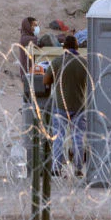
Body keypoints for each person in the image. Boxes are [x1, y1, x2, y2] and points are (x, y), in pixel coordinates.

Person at [43, 35, 87, 177]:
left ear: (64, 48)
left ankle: (56, 168)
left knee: (59, 136)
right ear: (77, 47)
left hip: (60, 105)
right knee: (78, 137)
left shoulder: (57, 62)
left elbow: (45, 81)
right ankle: (79, 168)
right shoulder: (84, 63)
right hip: (79, 105)